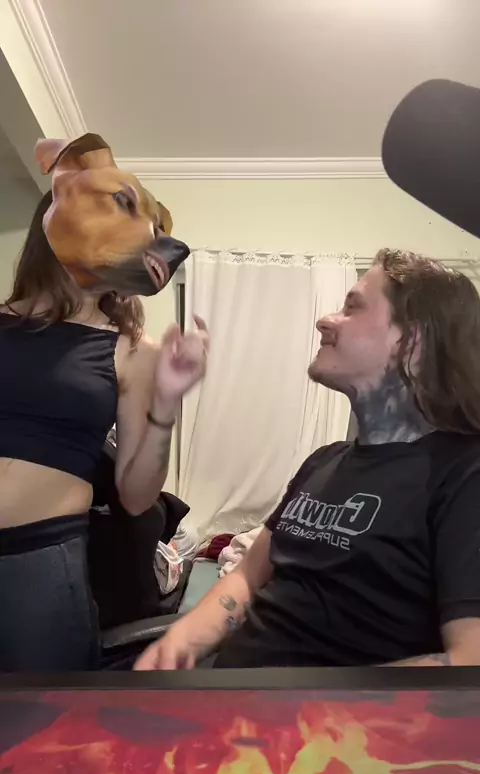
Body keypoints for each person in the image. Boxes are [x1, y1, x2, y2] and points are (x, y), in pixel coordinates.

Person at [136, 248, 480, 671]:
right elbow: (247, 577)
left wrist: (307, 703)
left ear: (413, 340)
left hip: (319, 714)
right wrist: (180, 642)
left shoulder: (465, 474)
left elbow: (469, 661)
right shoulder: (323, 462)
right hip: (229, 694)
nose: (325, 320)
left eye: (352, 308)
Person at [0, 190, 208, 671]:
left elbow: (136, 497)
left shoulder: (132, 350)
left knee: (48, 710)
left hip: (40, 560)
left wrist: (167, 401)